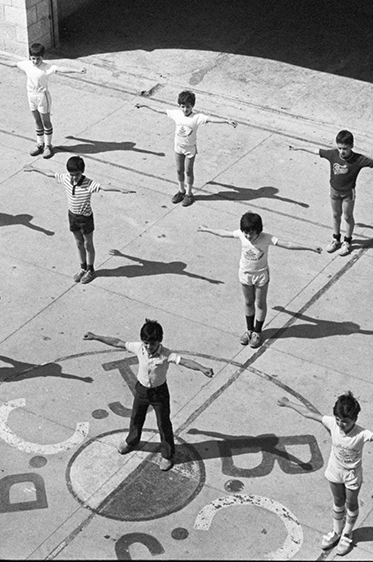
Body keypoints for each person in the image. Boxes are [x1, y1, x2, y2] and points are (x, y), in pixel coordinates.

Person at [277, 392, 373, 556]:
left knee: (351, 503)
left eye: (345, 422)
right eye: (338, 419)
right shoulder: (333, 423)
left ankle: (347, 533)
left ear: (355, 419)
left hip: (352, 475)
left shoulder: (362, 434)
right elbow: (308, 413)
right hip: (334, 470)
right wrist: (288, 403)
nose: (340, 424)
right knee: (338, 501)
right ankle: (336, 531)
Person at [84, 319, 214, 471]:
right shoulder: (139, 348)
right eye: (146, 343)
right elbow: (118, 342)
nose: (148, 347)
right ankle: (132, 441)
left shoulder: (166, 354)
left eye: (152, 344)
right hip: (141, 390)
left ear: (159, 341)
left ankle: (167, 455)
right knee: (136, 417)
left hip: (160, 393)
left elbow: (185, 362)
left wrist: (202, 368)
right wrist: (96, 336)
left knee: (163, 423)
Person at [198, 211, 322, 349]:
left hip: (261, 275)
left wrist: (310, 247)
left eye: (251, 233)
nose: (248, 236)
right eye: (246, 233)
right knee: (248, 302)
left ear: (259, 230)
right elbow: (223, 233)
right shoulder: (241, 234)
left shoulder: (267, 238)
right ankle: (249, 330)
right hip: (245, 274)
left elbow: (287, 244)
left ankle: (257, 332)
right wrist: (206, 229)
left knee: (260, 304)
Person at [289, 129, 373, 255]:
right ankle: (336, 239)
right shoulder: (333, 154)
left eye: (345, 148)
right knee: (335, 214)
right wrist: (298, 147)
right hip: (334, 191)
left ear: (351, 146)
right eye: (339, 148)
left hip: (348, 194)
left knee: (347, 216)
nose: (342, 152)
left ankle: (347, 242)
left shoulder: (358, 159)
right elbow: (316, 150)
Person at [24, 155, 134, 284]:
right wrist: (34, 168)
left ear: (82, 172)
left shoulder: (89, 184)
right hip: (72, 216)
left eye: (76, 174)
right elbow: (50, 174)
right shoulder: (66, 178)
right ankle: (82, 268)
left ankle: (90, 270)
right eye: (71, 174)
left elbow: (103, 186)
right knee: (78, 243)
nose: (73, 178)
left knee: (88, 244)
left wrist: (120, 189)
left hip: (85, 218)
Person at [135, 90, 236, 207]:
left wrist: (227, 121)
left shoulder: (197, 117)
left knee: (188, 171)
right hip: (178, 148)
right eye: (183, 106)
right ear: (179, 106)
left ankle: (189, 194)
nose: (185, 109)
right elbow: (160, 110)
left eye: (188, 107)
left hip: (189, 150)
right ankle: (181, 191)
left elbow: (211, 119)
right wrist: (145, 105)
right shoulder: (176, 114)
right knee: (179, 170)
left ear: (192, 106)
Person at [0, 42, 86, 159]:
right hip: (30, 96)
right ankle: (39, 144)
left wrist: (77, 70)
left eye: (38, 59)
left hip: (42, 97)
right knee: (37, 121)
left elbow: (61, 69)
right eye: (33, 59)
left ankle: (48, 146)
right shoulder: (27, 65)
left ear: (43, 57)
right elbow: (13, 63)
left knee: (46, 122)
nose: (35, 61)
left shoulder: (47, 67)